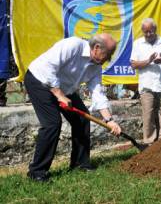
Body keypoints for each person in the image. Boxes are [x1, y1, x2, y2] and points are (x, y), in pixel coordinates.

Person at [24, 34, 122, 182]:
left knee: (82, 119)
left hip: (63, 89)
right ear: (96, 48)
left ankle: (80, 164)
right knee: (52, 123)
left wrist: (109, 120)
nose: (107, 59)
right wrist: (59, 94)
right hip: (39, 80)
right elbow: (48, 67)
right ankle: (36, 172)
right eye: (108, 54)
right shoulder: (73, 45)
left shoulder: (95, 66)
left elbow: (97, 93)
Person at [130, 18, 161, 145]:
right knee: (148, 115)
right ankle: (149, 142)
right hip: (147, 85)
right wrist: (148, 61)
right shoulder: (138, 43)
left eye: (150, 31)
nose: (148, 34)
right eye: (145, 32)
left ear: (155, 30)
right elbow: (133, 64)